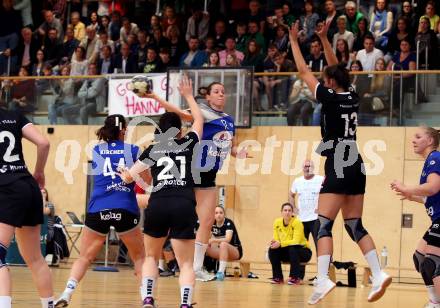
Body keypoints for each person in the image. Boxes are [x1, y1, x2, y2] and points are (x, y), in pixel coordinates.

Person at [288, 20, 391, 305]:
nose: (324, 80)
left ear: (330, 82)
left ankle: (322, 279)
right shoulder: (352, 95)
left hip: (338, 161)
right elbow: (338, 71)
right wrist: (323, 38)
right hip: (356, 163)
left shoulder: (329, 97)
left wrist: (294, 41)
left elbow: (303, 71)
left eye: (326, 78)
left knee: (323, 225)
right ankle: (379, 274)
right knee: (355, 224)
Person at [141, 81, 250, 282]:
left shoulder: (229, 120)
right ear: (207, 97)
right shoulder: (203, 111)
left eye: (223, 92)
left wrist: (238, 152)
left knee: (207, 221)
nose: (221, 94)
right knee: (178, 212)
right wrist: (156, 98)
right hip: (194, 170)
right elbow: (178, 114)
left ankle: (197, 268)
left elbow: (227, 145)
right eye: (216, 91)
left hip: (210, 172)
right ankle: (158, 258)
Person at [119, 76, 203, 308]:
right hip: (184, 202)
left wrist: (123, 171)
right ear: (179, 130)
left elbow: (129, 176)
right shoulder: (188, 142)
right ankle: (185, 303)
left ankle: (148, 299)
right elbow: (198, 119)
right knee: (186, 263)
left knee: (151, 257)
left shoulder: (154, 149)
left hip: (158, 201)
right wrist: (187, 96)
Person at [54, 115, 145, 307]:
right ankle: (147, 299)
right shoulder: (134, 150)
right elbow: (147, 180)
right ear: (122, 130)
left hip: (98, 208)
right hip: (125, 207)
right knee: (139, 258)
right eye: (126, 128)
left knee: (85, 257)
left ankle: (66, 293)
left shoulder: (97, 150)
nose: (127, 131)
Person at [0, 101, 52, 307]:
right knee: (35, 259)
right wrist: (39, 172)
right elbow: (44, 143)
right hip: (28, 186)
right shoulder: (14, 115)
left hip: (6, 188)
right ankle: (48, 304)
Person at [391, 126, 440, 307]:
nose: (413, 140)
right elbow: (432, 196)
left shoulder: (435, 158)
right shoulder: (429, 161)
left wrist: (408, 187)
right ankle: (434, 302)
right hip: (437, 219)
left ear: (429, 141)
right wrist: (413, 197)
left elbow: (433, 187)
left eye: (418, 137)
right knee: (420, 259)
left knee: (432, 263)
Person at [268, 203, 312, 285]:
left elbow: (296, 241)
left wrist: (280, 244)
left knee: (293, 248)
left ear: (292, 213)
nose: (287, 212)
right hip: (289, 252)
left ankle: (294, 277)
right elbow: (276, 239)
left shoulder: (297, 222)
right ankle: (278, 277)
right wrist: (275, 243)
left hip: (303, 252)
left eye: (289, 210)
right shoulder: (277, 222)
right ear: (281, 212)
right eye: (285, 210)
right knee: (272, 249)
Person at [290, 160, 324, 247]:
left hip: (316, 218)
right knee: (302, 245)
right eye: (305, 166)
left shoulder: (320, 179)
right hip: (301, 219)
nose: (307, 168)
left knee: (319, 244)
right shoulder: (297, 181)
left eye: (309, 166)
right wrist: (294, 208)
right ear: (302, 168)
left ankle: (320, 261)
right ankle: (302, 260)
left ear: (313, 168)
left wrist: (322, 208)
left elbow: (329, 194)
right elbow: (291, 195)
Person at [206, 206, 243, 281]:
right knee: (204, 246)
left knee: (223, 244)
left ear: (224, 214)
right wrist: (208, 241)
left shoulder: (228, 223)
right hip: (222, 252)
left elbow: (228, 239)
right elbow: (208, 237)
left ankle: (221, 272)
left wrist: (213, 240)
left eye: (221, 213)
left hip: (235, 251)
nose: (218, 215)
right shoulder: (212, 223)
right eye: (216, 213)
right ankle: (200, 269)